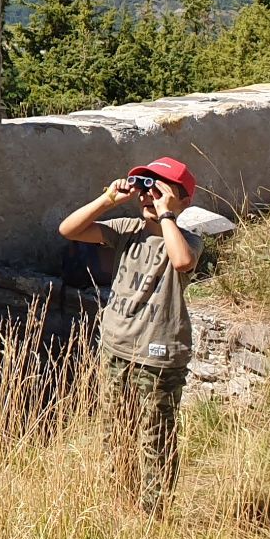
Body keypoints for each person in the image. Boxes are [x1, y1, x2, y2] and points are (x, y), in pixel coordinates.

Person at [57, 156, 234, 515]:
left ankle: (153, 514)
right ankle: (121, 503)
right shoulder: (126, 230)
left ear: (184, 200)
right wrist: (109, 199)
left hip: (159, 354)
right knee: (115, 432)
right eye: (145, 189)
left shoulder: (187, 240)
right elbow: (69, 230)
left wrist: (166, 214)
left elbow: (182, 262)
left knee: (156, 437)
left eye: (160, 190)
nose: (148, 197)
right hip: (116, 346)